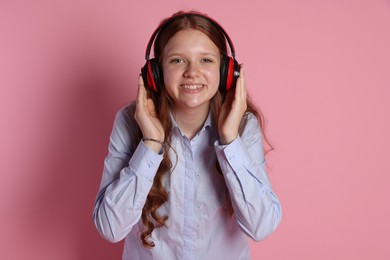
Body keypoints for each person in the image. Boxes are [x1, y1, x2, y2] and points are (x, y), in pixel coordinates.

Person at [93, 11, 282, 260]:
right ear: (155, 72)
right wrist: (150, 143)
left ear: (227, 71)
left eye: (206, 60)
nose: (192, 72)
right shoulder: (130, 121)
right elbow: (110, 227)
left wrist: (230, 140)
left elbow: (261, 226)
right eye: (177, 61)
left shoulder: (243, 125)